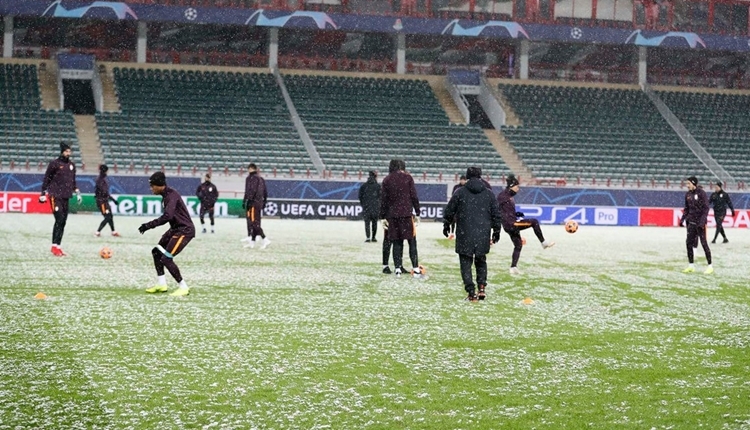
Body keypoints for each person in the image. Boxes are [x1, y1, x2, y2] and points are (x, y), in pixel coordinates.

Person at [443, 167, 502, 302]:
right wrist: (496, 231)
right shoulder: (489, 193)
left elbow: (450, 210)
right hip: (483, 232)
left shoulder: (460, 192)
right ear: (480, 176)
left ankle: (471, 292)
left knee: (465, 263)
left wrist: (446, 224)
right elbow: (496, 214)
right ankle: (482, 287)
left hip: (465, 231)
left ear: (467, 176)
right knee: (481, 260)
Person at [138, 172, 195, 296]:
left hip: (184, 231)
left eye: (153, 186)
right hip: (175, 229)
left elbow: (167, 216)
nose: (151, 188)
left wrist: (148, 225)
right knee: (156, 252)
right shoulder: (166, 195)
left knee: (166, 258)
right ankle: (162, 284)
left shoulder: (171, 196)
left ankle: (183, 287)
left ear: (160, 185)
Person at [496, 174, 555, 274]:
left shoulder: (508, 196)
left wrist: (515, 214)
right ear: (511, 186)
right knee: (534, 222)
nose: (518, 189)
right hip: (511, 224)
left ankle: (513, 267)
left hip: (510, 224)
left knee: (518, 245)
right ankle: (543, 243)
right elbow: (496, 209)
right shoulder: (503, 196)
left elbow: (505, 210)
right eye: (517, 187)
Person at [379, 159, 423, 278]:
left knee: (396, 242)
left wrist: (382, 216)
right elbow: (414, 196)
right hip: (406, 214)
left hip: (392, 216)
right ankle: (415, 268)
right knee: (412, 241)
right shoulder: (408, 178)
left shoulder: (387, 180)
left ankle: (397, 268)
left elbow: (383, 200)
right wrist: (417, 212)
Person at [39, 142, 81, 256]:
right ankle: (54, 246)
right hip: (55, 195)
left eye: (69, 151)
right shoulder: (54, 164)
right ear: (62, 152)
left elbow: (73, 180)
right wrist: (43, 193)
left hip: (66, 196)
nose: (68, 153)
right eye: (66, 151)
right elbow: (47, 178)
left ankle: (58, 246)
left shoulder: (72, 165)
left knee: (63, 222)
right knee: (59, 219)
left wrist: (76, 190)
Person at [680, 176, 713, 274]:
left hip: (700, 224)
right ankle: (691, 265)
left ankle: (710, 266)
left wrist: (702, 222)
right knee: (688, 243)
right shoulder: (688, 194)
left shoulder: (701, 193)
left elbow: (706, 208)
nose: (687, 185)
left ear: (693, 183)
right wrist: (682, 219)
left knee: (704, 244)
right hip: (691, 223)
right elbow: (687, 209)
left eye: (688, 183)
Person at [241, 163, 270, 249]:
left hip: (253, 203)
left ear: (250, 169)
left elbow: (249, 191)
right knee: (255, 222)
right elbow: (265, 192)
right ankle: (252, 241)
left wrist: (247, 201)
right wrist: (264, 202)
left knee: (253, 223)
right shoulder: (260, 179)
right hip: (258, 202)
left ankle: (265, 238)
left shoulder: (251, 178)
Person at [94, 164, 120, 238]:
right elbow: (105, 192)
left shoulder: (101, 179)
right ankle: (97, 232)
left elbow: (104, 192)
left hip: (104, 201)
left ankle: (113, 232)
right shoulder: (100, 180)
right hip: (102, 202)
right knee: (107, 217)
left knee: (110, 216)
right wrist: (113, 200)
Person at [358, 170, 380, 242]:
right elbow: (381, 196)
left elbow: (360, 196)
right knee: (374, 222)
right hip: (375, 207)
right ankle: (373, 237)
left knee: (367, 222)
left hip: (366, 206)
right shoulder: (378, 186)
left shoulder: (364, 186)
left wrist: (363, 204)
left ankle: (368, 237)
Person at [448, 174, 467, 240]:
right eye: (461, 180)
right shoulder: (456, 187)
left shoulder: (467, 187)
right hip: (456, 205)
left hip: (464, 206)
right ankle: (452, 233)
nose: (462, 181)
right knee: (453, 220)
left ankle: (462, 234)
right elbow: (453, 196)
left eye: (464, 180)